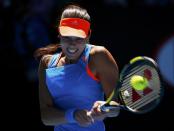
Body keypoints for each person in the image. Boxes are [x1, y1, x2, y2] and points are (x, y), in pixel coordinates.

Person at [34, 4, 120, 131]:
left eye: (78, 37)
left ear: (88, 36)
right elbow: (46, 117)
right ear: (59, 34)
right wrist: (72, 115)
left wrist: (105, 108)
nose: (72, 43)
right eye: (67, 37)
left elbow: (115, 107)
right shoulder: (46, 63)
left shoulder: (98, 56)